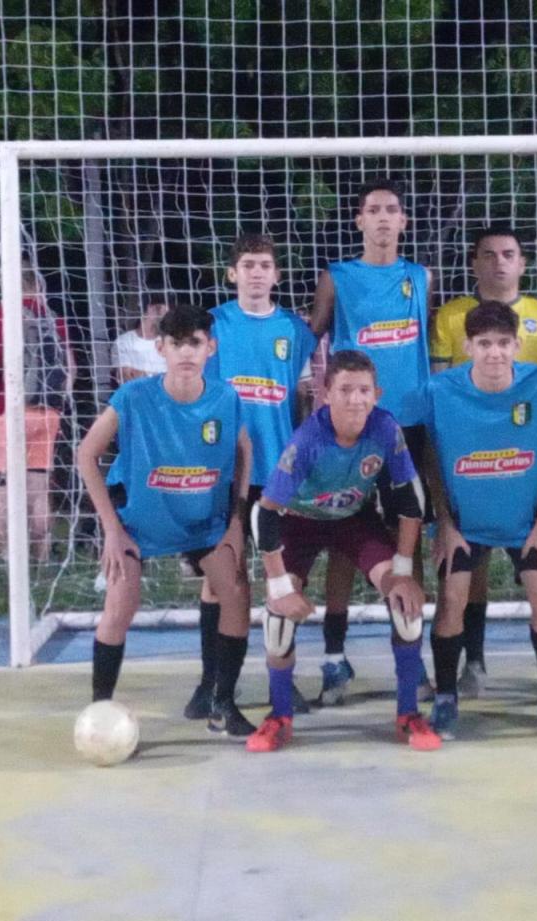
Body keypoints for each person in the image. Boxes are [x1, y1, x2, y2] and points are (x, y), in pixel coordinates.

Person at [76, 304, 256, 737]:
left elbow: (244, 450)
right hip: (140, 517)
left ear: (210, 347)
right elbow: (86, 454)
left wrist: (236, 519)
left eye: (195, 342)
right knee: (121, 604)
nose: (186, 352)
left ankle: (222, 703)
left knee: (234, 590)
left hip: (202, 518)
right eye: (176, 343)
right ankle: (101, 711)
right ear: (160, 348)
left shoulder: (226, 398)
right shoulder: (134, 397)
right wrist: (112, 530)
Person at [245, 350, 438, 753]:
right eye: (345, 390)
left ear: (377, 394)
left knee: (405, 604)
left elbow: (411, 502)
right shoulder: (307, 441)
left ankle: (408, 714)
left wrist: (401, 571)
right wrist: (280, 585)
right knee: (277, 620)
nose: (355, 399)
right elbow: (264, 514)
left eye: (364, 390)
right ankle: (279, 715)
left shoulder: (386, 429)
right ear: (324, 393)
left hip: (354, 520)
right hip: (300, 523)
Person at [430, 225, 537, 699]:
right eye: (488, 254)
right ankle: (468, 669)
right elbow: (439, 420)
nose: (499, 262)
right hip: (473, 472)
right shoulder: (451, 323)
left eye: (509, 254)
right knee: (463, 583)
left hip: (528, 466)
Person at [308, 179, 434, 704]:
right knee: (344, 537)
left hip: (412, 425)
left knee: (411, 541)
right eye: (373, 211)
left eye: (392, 210)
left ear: (404, 221)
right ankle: (335, 660)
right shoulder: (336, 278)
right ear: (359, 221)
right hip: (352, 425)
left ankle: (413, 656)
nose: (383, 218)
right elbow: (308, 339)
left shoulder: (420, 277)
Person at [184, 234, 316, 721]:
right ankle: (210, 683)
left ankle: (282, 676)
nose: (257, 273)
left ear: (277, 275)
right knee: (222, 580)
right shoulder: (213, 325)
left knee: (282, 578)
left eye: (265, 265)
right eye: (248, 265)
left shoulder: (295, 330)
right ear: (232, 274)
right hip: (225, 472)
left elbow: (302, 399)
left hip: (278, 473)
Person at [422, 300, 537, 740]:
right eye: (484, 344)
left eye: (503, 343)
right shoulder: (439, 391)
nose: (494, 353)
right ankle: (446, 697)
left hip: (525, 520)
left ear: (518, 345)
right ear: (467, 346)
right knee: (452, 597)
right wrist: (445, 525)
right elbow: (430, 459)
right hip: (466, 521)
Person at [0, 266, 75, 577]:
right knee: (39, 493)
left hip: (3, 413)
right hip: (46, 414)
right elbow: (70, 370)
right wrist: (57, 408)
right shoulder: (54, 321)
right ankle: (42, 567)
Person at [113, 295, 168, 383]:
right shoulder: (124, 341)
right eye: (160, 309)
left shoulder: (170, 342)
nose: (164, 316)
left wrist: (143, 374)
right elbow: (126, 376)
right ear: (150, 308)